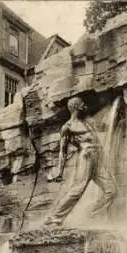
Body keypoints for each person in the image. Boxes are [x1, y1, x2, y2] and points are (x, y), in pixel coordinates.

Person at [44, 96, 118, 226]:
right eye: (82, 103)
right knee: (77, 189)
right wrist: (59, 172)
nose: (85, 105)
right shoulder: (67, 127)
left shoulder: (87, 122)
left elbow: (103, 128)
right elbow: (63, 151)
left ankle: (93, 216)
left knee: (112, 191)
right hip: (86, 157)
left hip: (98, 158)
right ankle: (54, 217)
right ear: (75, 107)